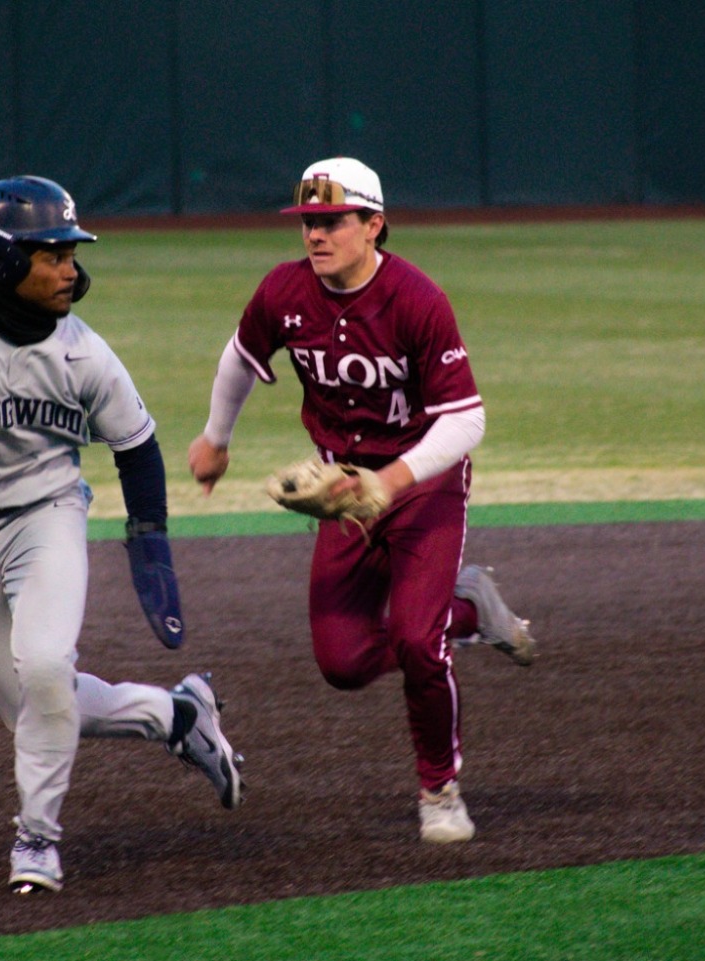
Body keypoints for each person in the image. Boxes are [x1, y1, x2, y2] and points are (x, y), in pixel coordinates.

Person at [0, 175, 242, 894]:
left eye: (71, 254)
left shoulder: (84, 352)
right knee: (36, 705)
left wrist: (150, 545)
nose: (70, 269)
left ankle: (37, 839)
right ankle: (179, 715)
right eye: (52, 254)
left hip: (49, 514)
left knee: (47, 668)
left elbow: (138, 448)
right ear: (3, 260)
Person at [186, 157, 533, 844]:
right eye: (308, 222)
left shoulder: (417, 299)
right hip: (342, 493)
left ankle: (440, 789)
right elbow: (239, 357)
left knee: (417, 644)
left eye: (332, 221)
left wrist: (391, 482)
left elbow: (466, 420)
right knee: (342, 663)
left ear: (374, 225)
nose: (315, 235)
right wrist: (216, 440)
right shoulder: (284, 290)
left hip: (423, 485)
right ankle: (469, 611)